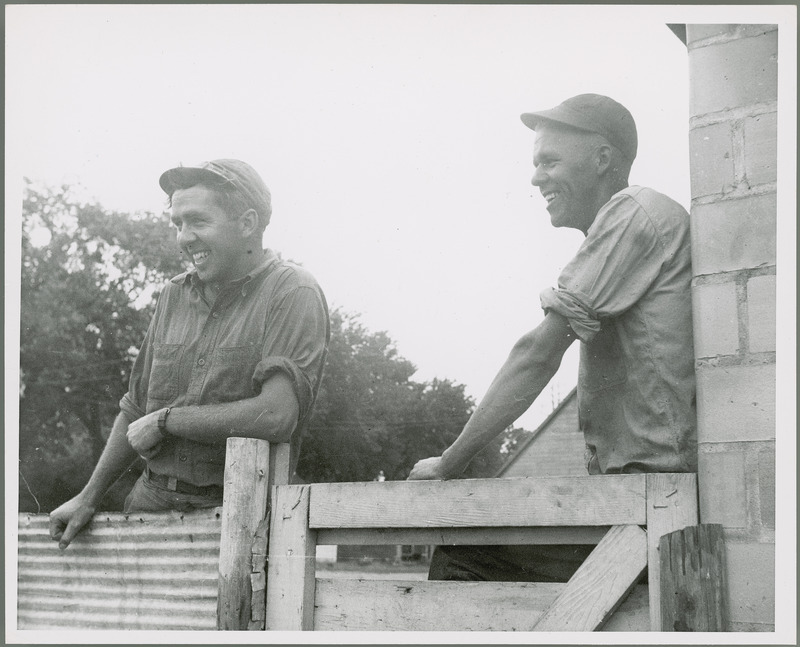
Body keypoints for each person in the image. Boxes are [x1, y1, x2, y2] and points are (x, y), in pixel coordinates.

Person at [408, 94, 696, 582]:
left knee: (462, 556)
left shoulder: (634, 213)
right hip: (637, 503)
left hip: (654, 509)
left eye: (549, 161)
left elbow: (538, 354)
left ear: (602, 159)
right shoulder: (627, 225)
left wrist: (447, 463)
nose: (536, 177)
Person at [50, 159, 330, 549]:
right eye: (177, 224)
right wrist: (87, 497)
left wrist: (167, 421)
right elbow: (135, 408)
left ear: (247, 223)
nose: (184, 238)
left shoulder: (293, 291)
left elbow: (277, 415)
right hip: (148, 503)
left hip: (241, 517)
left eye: (198, 221)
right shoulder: (173, 294)